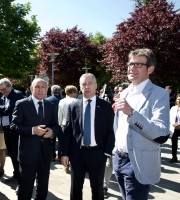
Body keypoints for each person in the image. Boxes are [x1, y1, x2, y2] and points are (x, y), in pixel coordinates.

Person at [113, 48, 170, 200]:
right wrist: (115, 151)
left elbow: (161, 132)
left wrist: (131, 113)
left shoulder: (159, 94)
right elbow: (118, 127)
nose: (132, 68)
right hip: (118, 160)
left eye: (138, 64)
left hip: (137, 162)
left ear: (150, 69)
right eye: (131, 64)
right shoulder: (123, 93)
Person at [62, 73, 115, 200]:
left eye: (90, 83)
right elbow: (68, 131)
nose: (87, 86)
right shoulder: (73, 106)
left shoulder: (106, 106)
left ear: (96, 86)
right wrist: (64, 153)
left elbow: (111, 131)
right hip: (77, 154)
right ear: (80, 87)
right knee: (75, 188)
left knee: (97, 189)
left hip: (98, 154)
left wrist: (106, 153)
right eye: (84, 84)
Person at [11, 77, 62, 200]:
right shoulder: (22, 104)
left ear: (47, 89)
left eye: (43, 87)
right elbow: (14, 126)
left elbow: (56, 125)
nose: (40, 90)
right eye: (37, 87)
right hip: (28, 154)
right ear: (31, 89)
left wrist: (52, 131)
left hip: (45, 153)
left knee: (43, 188)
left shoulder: (51, 105)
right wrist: (32, 130)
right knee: (25, 187)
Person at [0, 78, 24, 182]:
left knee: (16, 153)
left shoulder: (17, 94)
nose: (2, 92)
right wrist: (3, 110)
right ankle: (16, 174)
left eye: (3, 89)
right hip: (6, 129)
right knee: (11, 153)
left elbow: (10, 109)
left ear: (10, 86)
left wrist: (3, 110)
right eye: (0, 90)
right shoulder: (4, 97)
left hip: (15, 130)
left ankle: (21, 176)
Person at [58, 85, 78, 174]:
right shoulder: (77, 101)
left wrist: (59, 124)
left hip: (63, 124)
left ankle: (65, 165)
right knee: (73, 144)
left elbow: (60, 114)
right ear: (73, 92)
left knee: (64, 144)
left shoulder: (62, 101)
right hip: (74, 125)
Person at [46, 85, 62, 161]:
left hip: (51, 123)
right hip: (62, 123)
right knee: (62, 140)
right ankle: (60, 156)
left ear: (52, 91)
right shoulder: (63, 100)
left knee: (51, 140)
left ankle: (52, 156)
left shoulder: (47, 100)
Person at [169, 94, 180, 163]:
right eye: (178, 99)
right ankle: (174, 157)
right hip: (174, 129)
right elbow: (169, 117)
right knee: (174, 144)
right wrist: (172, 123)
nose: (179, 101)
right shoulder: (173, 108)